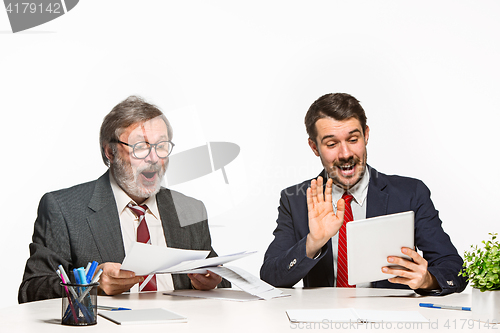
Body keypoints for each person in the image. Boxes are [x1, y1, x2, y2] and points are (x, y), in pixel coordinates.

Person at [19, 96, 229, 303]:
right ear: (110, 151)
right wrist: (92, 284)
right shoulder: (64, 209)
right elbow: (32, 289)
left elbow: (219, 280)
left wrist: (210, 282)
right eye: (140, 146)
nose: (154, 158)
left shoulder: (190, 209)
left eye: (161, 146)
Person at [260, 93, 467, 296]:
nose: (346, 154)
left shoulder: (410, 193)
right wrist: (312, 242)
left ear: (366, 135)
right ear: (314, 147)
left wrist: (427, 280)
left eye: (353, 139)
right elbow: (270, 277)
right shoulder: (295, 199)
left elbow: (454, 269)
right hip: (324, 319)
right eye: (332, 144)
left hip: (391, 322)